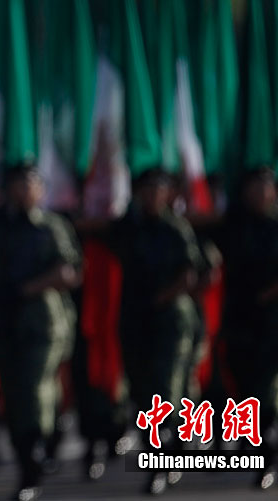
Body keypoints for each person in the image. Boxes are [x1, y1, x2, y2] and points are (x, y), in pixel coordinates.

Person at [0, 163, 80, 501]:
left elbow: (68, 272)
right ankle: (35, 445)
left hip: (42, 323)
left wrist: (28, 289)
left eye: (30, 184)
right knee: (14, 393)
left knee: (32, 387)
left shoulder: (51, 226)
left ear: (41, 189)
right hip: (4, 323)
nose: (24, 190)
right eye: (18, 184)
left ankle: (32, 460)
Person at [110, 168, 202, 495]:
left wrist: (160, 299)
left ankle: (161, 463)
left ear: (168, 194)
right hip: (136, 320)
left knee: (164, 392)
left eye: (157, 189)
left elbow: (190, 274)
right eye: (145, 189)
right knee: (140, 392)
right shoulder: (128, 227)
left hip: (170, 320)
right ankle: (167, 450)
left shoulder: (175, 228)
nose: (151, 196)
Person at [217, 166, 278, 489]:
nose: (259, 193)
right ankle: (251, 440)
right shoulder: (233, 225)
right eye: (253, 187)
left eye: (265, 187)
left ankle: (266, 459)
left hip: (271, 323)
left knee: (266, 391)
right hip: (240, 319)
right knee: (242, 382)